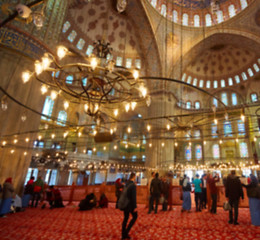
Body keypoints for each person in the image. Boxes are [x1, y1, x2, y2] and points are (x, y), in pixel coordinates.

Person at [122, 172, 137, 240]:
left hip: (124, 203)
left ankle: (123, 234)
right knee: (135, 216)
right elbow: (133, 197)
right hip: (130, 205)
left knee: (125, 218)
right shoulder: (133, 185)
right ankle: (126, 232)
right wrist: (135, 206)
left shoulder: (126, 184)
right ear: (134, 177)